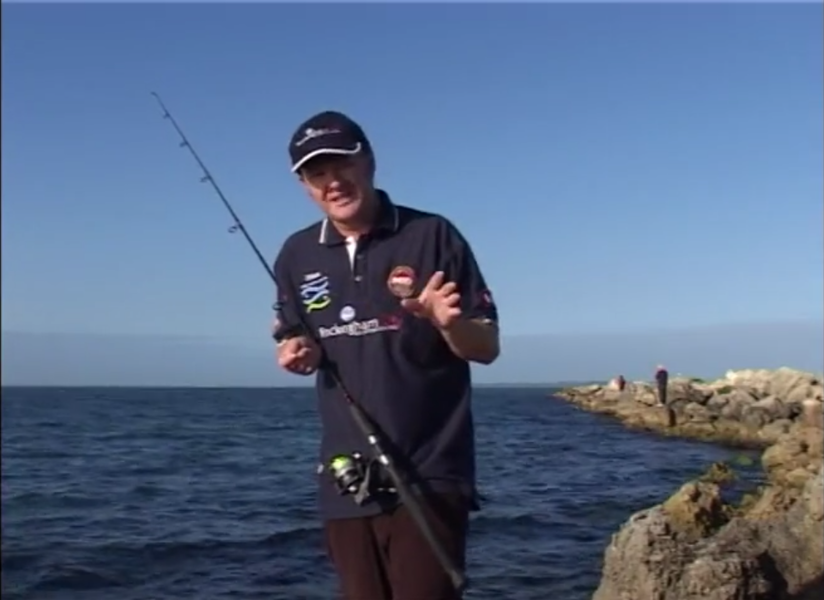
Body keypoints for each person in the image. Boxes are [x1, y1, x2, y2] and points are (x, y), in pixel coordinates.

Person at [271, 110, 500, 600]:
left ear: (369, 161)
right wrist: (297, 351)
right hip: (345, 479)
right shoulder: (295, 255)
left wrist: (449, 324)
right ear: (305, 186)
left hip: (430, 473)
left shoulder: (432, 234)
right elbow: (297, 336)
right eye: (317, 173)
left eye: (342, 164)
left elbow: (486, 347)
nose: (333, 182)